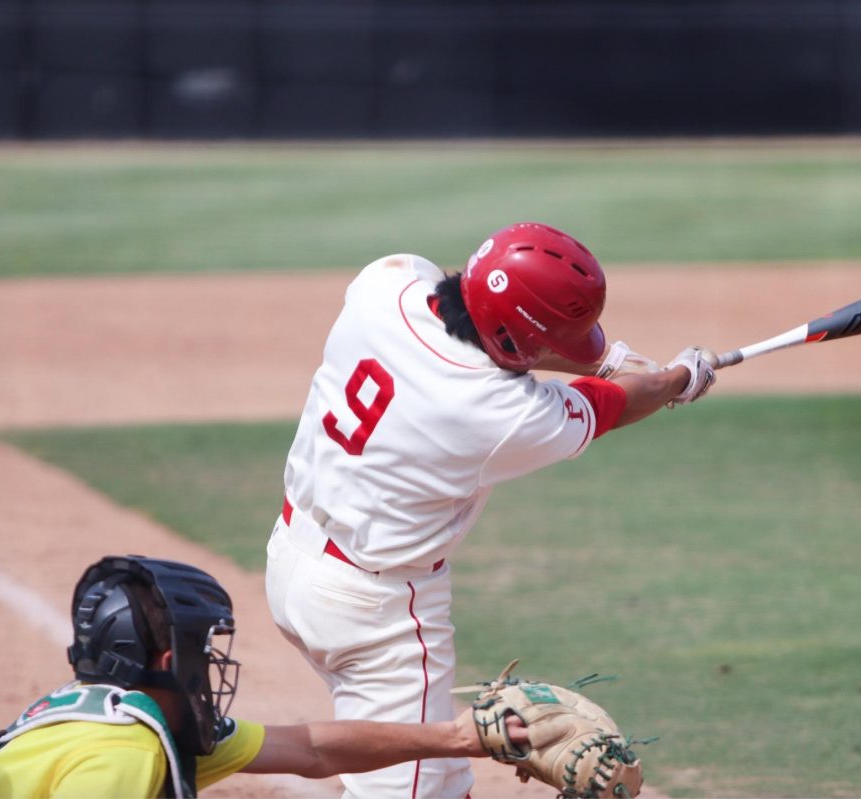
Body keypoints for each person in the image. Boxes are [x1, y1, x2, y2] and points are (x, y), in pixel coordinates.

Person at [264, 221, 715, 798]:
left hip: (291, 558)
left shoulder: (387, 283)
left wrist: (620, 362)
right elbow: (616, 404)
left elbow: (521, 340)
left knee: (436, 774)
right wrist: (677, 378)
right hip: (377, 614)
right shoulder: (498, 412)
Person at [0, 555, 526, 798]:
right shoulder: (122, 754)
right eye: (203, 646)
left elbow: (309, 749)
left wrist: (460, 738)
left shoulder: (123, 717)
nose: (210, 665)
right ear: (169, 662)